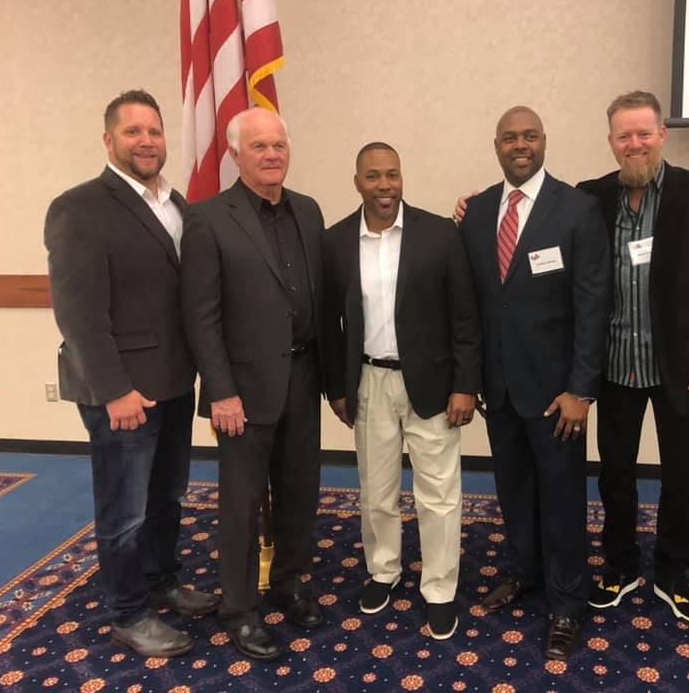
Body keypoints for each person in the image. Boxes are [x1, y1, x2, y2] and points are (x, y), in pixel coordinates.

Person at [45, 90, 218, 658]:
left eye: (155, 131)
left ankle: (162, 581)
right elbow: (79, 314)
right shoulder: (79, 208)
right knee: (124, 511)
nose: (147, 141)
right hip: (121, 394)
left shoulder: (179, 204)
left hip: (172, 383)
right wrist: (114, 390)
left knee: (168, 497)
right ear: (108, 140)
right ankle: (127, 611)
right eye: (133, 132)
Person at [458, 106, 610, 660]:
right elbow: (474, 304)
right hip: (497, 388)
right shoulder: (475, 213)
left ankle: (569, 600)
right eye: (509, 138)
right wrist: (469, 378)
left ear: (545, 141)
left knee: (563, 496)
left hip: (556, 395)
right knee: (513, 489)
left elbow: (593, 305)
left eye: (529, 136)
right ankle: (525, 574)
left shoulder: (577, 209)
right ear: (496, 145)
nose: (519, 145)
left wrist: (581, 390)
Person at [576, 92, 689, 625]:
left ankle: (672, 571)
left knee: (681, 476)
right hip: (615, 365)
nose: (635, 144)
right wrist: (478, 204)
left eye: (644, 133)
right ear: (612, 142)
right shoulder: (590, 197)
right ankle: (620, 567)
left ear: (662, 134)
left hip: (683, 369)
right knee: (614, 475)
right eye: (625, 136)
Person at [180, 107, 326, 661]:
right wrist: (220, 390)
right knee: (241, 504)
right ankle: (239, 607)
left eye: (279, 145)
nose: (272, 155)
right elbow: (201, 316)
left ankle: (289, 585)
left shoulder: (308, 212)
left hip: (303, 377)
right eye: (259, 146)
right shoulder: (208, 218)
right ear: (235, 155)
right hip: (240, 391)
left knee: (299, 494)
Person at [323, 142, 483, 640]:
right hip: (369, 381)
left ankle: (439, 589)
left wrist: (465, 385)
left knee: (438, 495)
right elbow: (331, 323)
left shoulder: (439, 235)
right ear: (357, 183)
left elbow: (464, 315)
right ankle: (384, 571)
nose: (385, 185)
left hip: (434, 385)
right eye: (373, 177)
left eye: (392, 174)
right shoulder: (336, 241)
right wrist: (336, 387)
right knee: (377, 491)